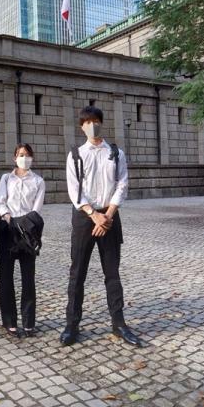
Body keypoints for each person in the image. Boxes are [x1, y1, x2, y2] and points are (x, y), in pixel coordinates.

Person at [60, 106, 141, 347]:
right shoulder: (75, 155)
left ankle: (119, 323)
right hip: (85, 216)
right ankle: (72, 324)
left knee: (112, 273)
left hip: (110, 215)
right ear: (81, 126)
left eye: (95, 121)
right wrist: (94, 215)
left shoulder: (115, 153)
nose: (92, 126)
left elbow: (122, 184)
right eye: (87, 122)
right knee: (77, 273)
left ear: (101, 123)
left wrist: (108, 215)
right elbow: (74, 189)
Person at [0, 143, 45, 338]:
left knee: (28, 279)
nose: (24, 158)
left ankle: (28, 322)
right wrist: (7, 216)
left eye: (27, 155)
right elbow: (1, 201)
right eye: (20, 155)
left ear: (32, 157)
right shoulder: (6, 178)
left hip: (28, 231)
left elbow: (36, 209)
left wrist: (24, 223)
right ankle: (9, 321)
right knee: (6, 278)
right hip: (8, 230)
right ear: (14, 157)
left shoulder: (38, 181)